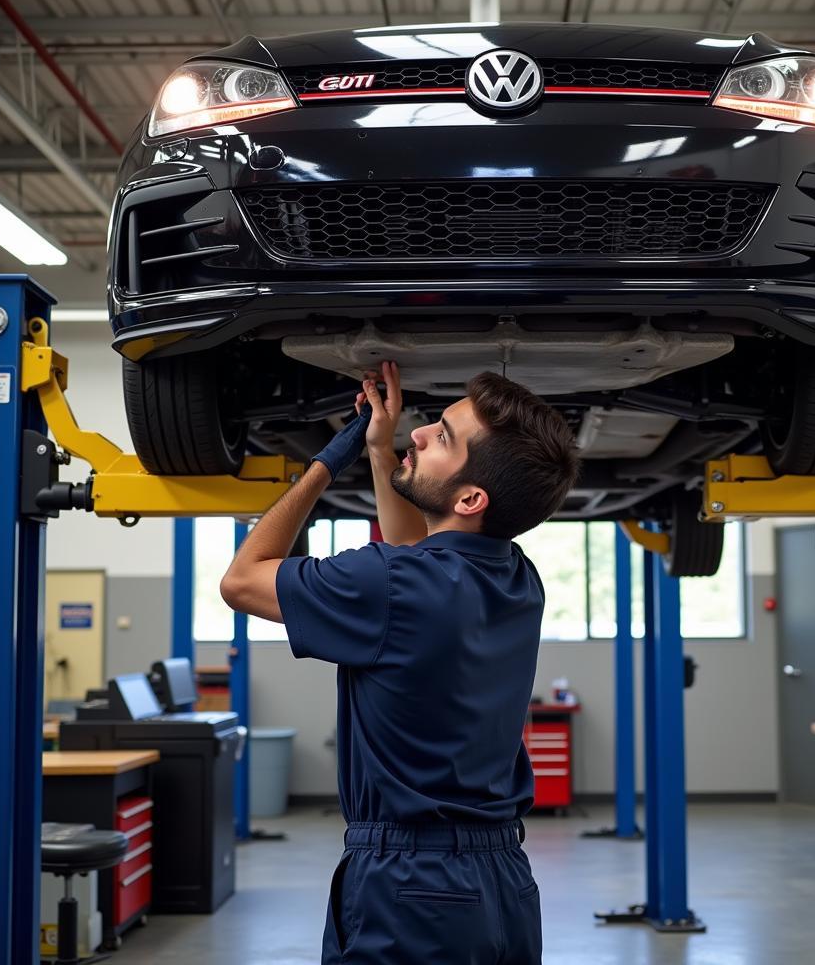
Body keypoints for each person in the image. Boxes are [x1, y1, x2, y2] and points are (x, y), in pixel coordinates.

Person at [220, 361, 580, 964]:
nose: (419, 434)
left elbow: (240, 581)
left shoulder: (389, 583)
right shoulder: (518, 578)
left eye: (440, 437)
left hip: (410, 884)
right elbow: (419, 553)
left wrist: (326, 464)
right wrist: (382, 449)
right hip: (504, 884)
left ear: (470, 496)